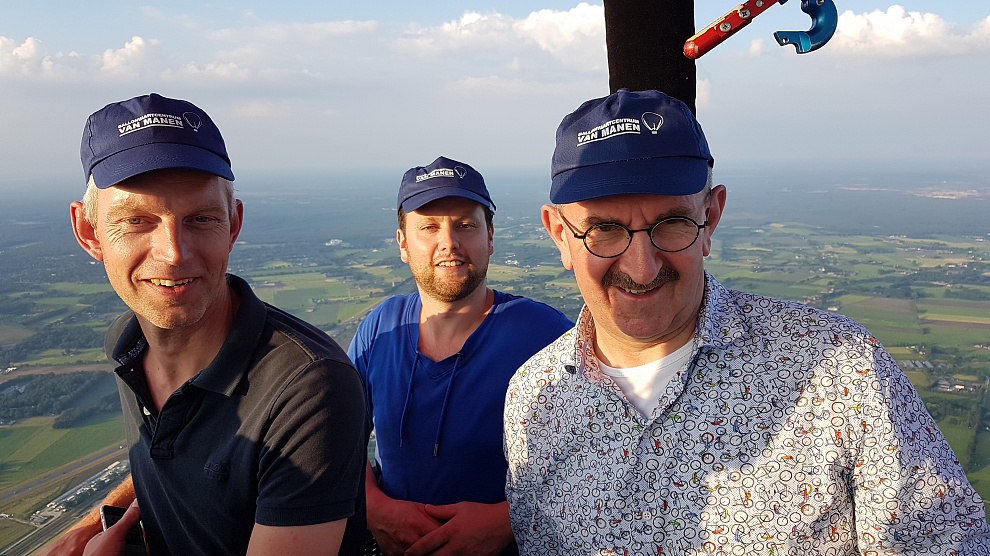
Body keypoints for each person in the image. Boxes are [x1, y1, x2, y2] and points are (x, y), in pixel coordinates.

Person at [503, 89, 990, 554]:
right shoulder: (531, 399)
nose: (642, 267)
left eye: (671, 224)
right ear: (559, 234)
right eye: (604, 229)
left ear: (711, 218)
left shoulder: (843, 371)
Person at [48, 93, 369, 555]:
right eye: (136, 221)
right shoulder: (129, 342)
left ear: (233, 225)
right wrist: (90, 525)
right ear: (88, 231)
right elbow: (176, 461)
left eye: (200, 219)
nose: (173, 253)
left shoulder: (308, 387)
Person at [347, 156, 572, 555]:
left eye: (466, 225)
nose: (449, 242)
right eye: (428, 227)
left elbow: (599, 459)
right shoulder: (379, 329)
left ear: (490, 237)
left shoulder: (545, 335)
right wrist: (375, 508)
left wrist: (507, 522)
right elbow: (335, 442)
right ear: (403, 243)